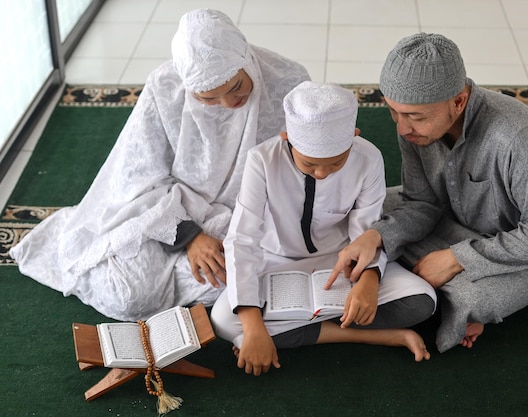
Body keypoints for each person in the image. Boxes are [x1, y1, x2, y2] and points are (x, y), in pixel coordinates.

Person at [9, 9, 310, 321]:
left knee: (237, 278)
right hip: (166, 212)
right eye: (208, 98)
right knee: (130, 296)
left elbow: (306, 171)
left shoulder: (288, 81)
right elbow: (136, 177)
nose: (227, 103)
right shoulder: (165, 87)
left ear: (245, 57)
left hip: (250, 215)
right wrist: (190, 236)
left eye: (235, 87)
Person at [329, 33, 528, 353]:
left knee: (473, 299)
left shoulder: (517, 136)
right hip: (453, 219)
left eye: (415, 117)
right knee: (365, 208)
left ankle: (429, 286)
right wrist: (378, 237)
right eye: (393, 112)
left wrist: (457, 259)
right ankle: (419, 280)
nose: (401, 127)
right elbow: (422, 202)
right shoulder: (413, 128)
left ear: (458, 102)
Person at [210, 81, 437, 376]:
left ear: (353, 138)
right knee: (224, 320)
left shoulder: (368, 158)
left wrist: (368, 280)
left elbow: (366, 230)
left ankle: (295, 328)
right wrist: (253, 324)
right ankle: (374, 335)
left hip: (342, 263)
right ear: (287, 138)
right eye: (310, 164)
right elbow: (242, 238)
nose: (322, 173)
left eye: (335, 163)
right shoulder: (262, 160)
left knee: (422, 299)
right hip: (276, 262)